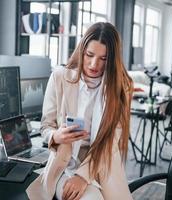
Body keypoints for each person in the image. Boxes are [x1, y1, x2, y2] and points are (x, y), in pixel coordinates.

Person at [26, 22, 134, 200]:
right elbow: (46, 126)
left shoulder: (122, 88)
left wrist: (84, 175)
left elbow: (111, 142)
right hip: (65, 165)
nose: (94, 64)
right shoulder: (60, 77)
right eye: (89, 55)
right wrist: (56, 136)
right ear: (82, 50)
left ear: (112, 60)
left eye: (103, 59)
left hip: (102, 165)